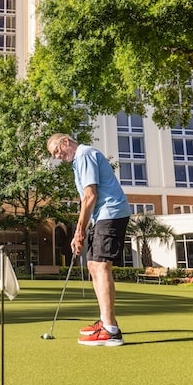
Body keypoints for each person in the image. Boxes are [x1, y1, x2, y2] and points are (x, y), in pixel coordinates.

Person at [47, 133, 131, 346]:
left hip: (110, 213)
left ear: (66, 141)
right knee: (94, 265)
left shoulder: (84, 154)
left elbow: (90, 196)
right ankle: (106, 321)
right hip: (103, 216)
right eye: (54, 154)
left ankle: (111, 330)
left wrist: (79, 231)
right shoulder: (79, 161)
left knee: (101, 266)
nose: (57, 156)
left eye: (57, 150)